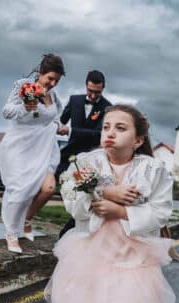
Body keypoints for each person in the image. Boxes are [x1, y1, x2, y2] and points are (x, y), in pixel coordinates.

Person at [40, 104, 176, 303]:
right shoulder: (85, 163)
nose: (110, 133)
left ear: (138, 140)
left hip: (132, 264)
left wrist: (121, 210)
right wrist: (103, 193)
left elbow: (160, 213)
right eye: (107, 127)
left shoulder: (153, 170)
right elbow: (72, 205)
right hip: (87, 259)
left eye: (120, 128)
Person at [0, 53, 66, 253]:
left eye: (57, 80)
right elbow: (7, 111)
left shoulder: (53, 96)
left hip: (45, 147)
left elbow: (54, 116)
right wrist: (26, 108)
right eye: (50, 78)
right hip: (21, 146)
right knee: (20, 189)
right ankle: (11, 232)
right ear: (40, 73)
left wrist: (58, 125)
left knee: (48, 188)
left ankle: (27, 219)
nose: (53, 83)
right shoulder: (24, 86)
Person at [56, 70, 112, 238]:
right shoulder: (74, 100)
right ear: (86, 86)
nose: (93, 95)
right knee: (67, 192)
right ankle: (76, 224)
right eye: (90, 91)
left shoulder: (107, 107)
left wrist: (71, 130)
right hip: (68, 156)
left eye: (97, 92)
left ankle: (71, 228)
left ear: (103, 89)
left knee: (84, 195)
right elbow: (60, 121)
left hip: (90, 160)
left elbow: (98, 134)